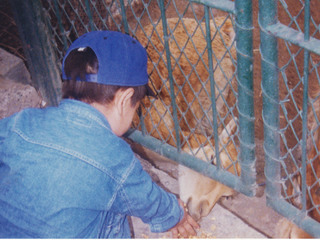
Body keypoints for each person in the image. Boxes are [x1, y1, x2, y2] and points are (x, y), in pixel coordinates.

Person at [0, 30, 199, 238]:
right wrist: (176, 215)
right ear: (124, 100)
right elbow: (150, 201)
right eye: (136, 106)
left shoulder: (22, 122)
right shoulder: (114, 157)